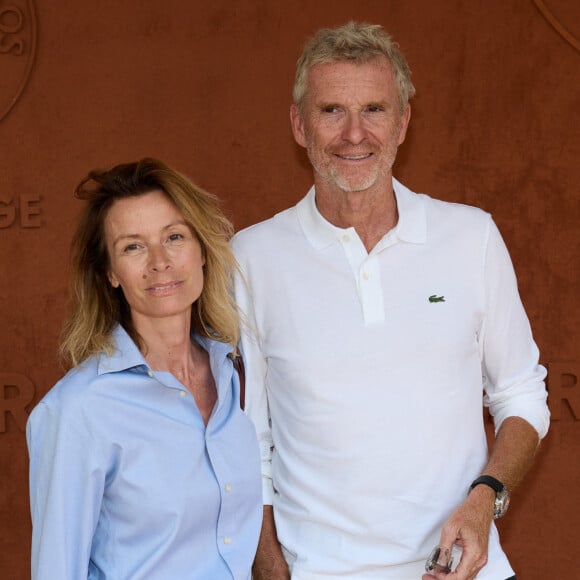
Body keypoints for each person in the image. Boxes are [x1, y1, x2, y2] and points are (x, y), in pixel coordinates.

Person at [232, 22, 549, 580]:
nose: (355, 134)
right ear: (298, 125)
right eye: (332, 110)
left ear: (402, 123)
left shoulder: (471, 237)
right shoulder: (252, 257)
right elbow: (247, 438)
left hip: (466, 572)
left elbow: (522, 395)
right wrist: (268, 565)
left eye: (374, 110)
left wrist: (485, 501)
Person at [27, 158, 262, 579]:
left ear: (202, 251)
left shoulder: (234, 373)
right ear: (110, 273)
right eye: (133, 246)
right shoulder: (79, 409)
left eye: (174, 237)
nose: (159, 262)